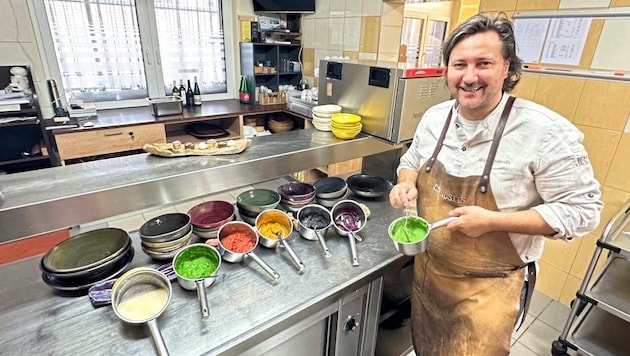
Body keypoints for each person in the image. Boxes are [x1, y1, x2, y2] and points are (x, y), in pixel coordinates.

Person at [389, 13, 602, 356]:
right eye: (460, 64)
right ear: (447, 69)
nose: (469, 77)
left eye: (483, 63)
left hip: (489, 291)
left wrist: (492, 222)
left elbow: (583, 211)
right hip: (430, 274)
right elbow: (411, 162)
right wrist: (405, 183)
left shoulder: (543, 132)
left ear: (507, 67)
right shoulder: (434, 118)